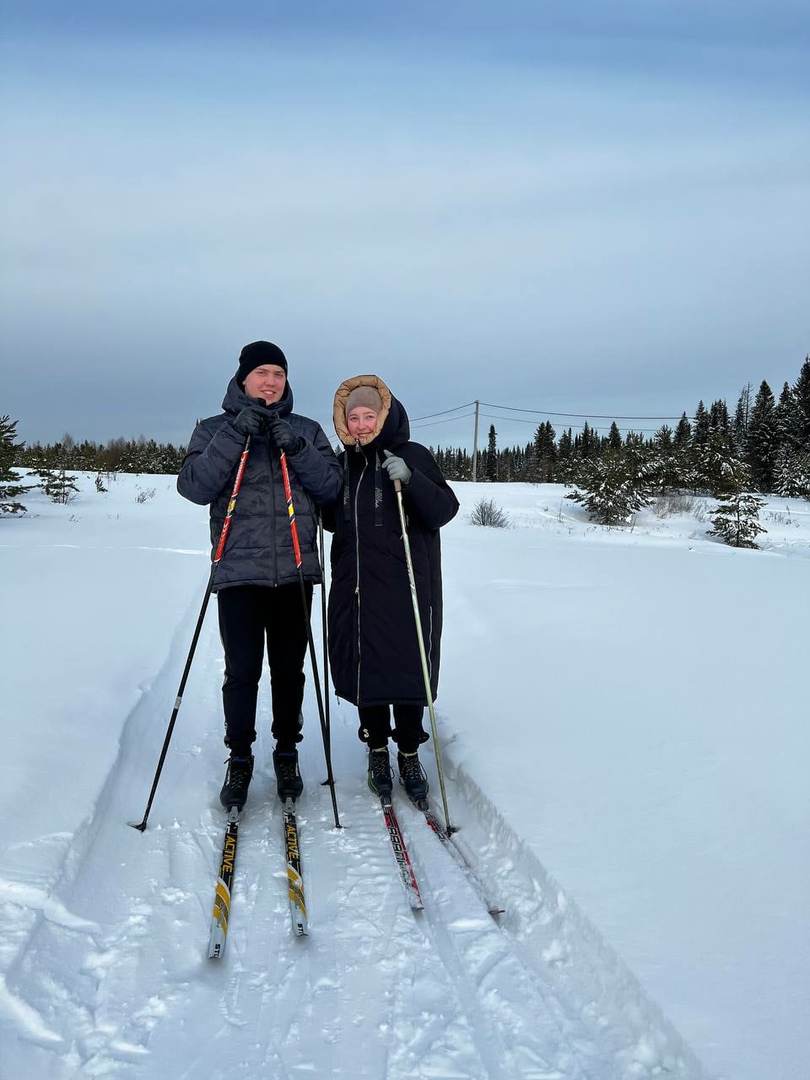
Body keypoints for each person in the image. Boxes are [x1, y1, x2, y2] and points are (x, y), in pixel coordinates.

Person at [177, 341, 342, 810]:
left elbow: (332, 489)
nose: (271, 381)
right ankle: (241, 757)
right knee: (242, 671)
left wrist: (299, 447)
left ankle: (287, 752)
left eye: (279, 373)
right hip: (238, 573)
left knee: (290, 671)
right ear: (243, 378)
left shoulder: (306, 428)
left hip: (294, 571)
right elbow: (194, 486)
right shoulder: (214, 429)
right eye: (262, 372)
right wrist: (235, 436)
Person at [324, 375, 459, 803]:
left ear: (385, 416)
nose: (362, 424)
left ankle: (408, 751)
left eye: (369, 415)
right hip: (358, 587)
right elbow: (332, 520)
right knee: (368, 672)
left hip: (405, 589)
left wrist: (413, 478)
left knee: (404, 670)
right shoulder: (342, 464)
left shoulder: (412, 454)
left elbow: (443, 510)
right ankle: (377, 750)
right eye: (354, 417)